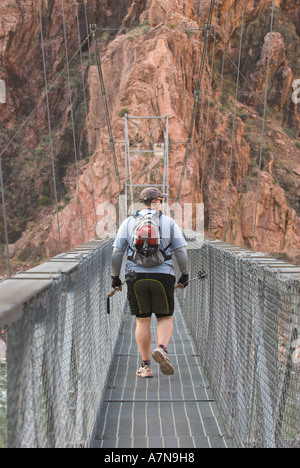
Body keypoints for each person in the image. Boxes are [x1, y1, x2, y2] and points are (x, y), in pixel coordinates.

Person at [111, 187, 189, 378]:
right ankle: (161, 348)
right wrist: (184, 274)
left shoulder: (128, 222)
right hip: (163, 277)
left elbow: (117, 253)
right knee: (164, 317)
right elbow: (180, 252)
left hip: (135, 277)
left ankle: (145, 366)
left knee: (142, 320)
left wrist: (115, 278)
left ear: (142, 202)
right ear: (158, 202)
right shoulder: (169, 222)